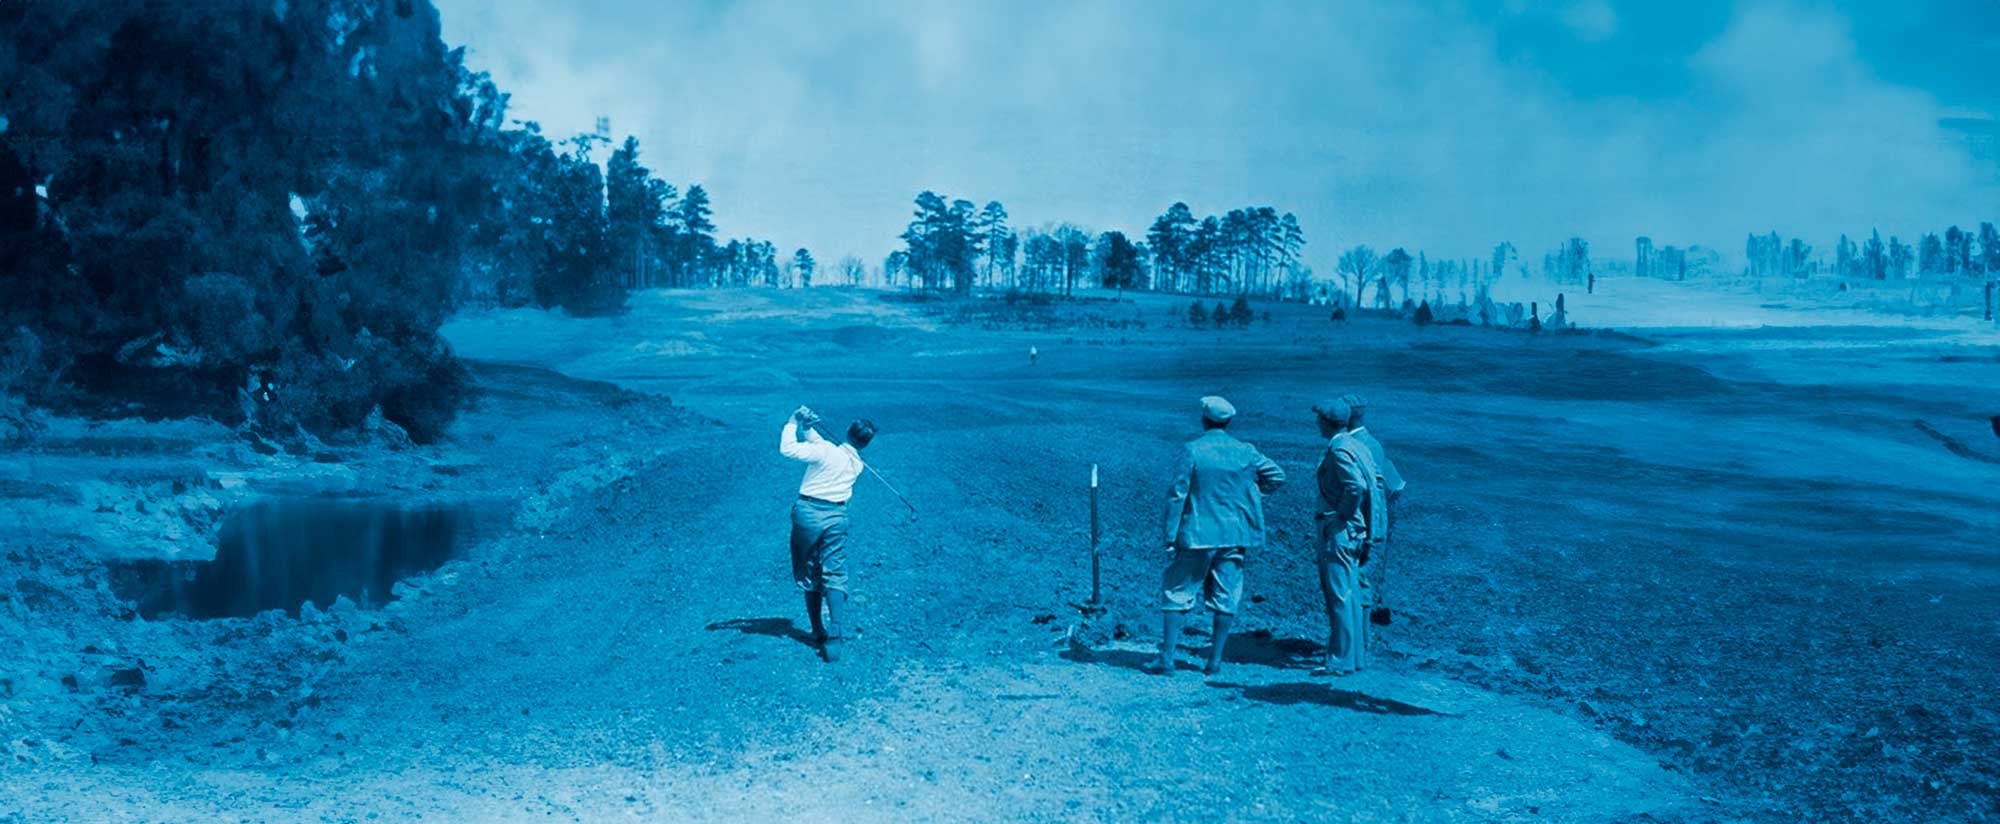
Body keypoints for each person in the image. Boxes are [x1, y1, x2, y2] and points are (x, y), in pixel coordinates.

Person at [1150, 396, 1286, 677]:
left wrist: (1170, 536)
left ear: (1204, 419)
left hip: (1197, 534)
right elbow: (1277, 477)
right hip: (1234, 534)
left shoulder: (1193, 450)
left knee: (1177, 592)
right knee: (1227, 595)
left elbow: (1177, 496)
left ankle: (1167, 658)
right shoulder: (1246, 451)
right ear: (1228, 421)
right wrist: (1249, 497)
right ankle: (1214, 661)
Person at [779, 405, 877, 662]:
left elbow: (788, 449)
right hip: (837, 516)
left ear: (848, 431)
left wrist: (793, 422)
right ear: (865, 443)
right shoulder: (857, 464)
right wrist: (809, 429)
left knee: (809, 569)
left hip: (809, 514)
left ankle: (817, 630)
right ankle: (835, 628)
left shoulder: (826, 452)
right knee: (835, 569)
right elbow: (825, 450)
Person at [1311, 396, 1383, 677]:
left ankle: (1340, 660)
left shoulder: (1339, 448)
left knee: (1338, 594)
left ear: (1327, 422)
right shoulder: (1357, 445)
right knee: (1349, 594)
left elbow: (1356, 488)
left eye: (1319, 418)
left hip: (1339, 529)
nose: (1316, 422)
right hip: (1356, 529)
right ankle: (1353, 657)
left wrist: (1339, 517)